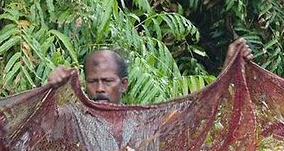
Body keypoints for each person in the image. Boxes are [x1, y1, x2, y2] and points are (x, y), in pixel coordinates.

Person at [47, 38, 254, 105]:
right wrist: (50, 90)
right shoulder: (73, 120)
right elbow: (32, 127)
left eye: (107, 81)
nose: (100, 88)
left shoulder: (141, 122)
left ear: (124, 84)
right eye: (93, 82)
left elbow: (201, 112)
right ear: (84, 84)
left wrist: (229, 67)